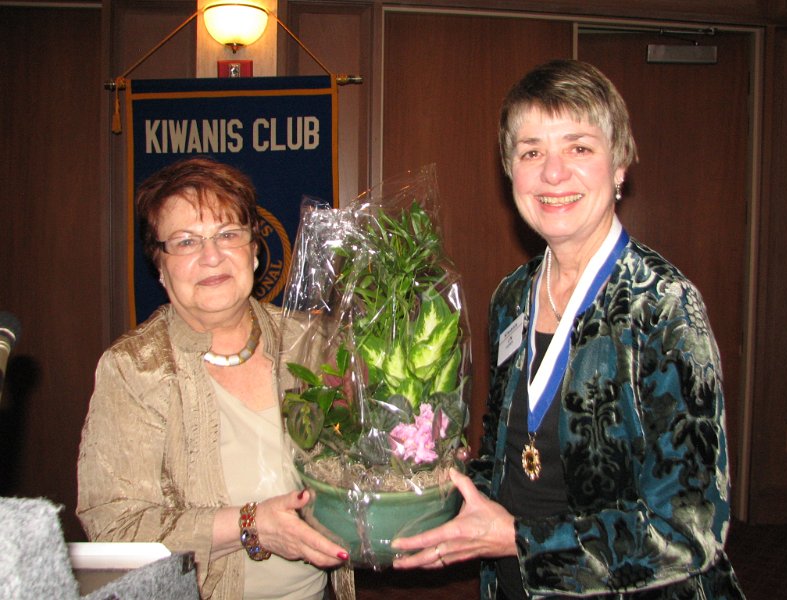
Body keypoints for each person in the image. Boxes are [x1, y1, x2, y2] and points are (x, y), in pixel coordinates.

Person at [392, 59, 744, 599]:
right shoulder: (511, 296)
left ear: (620, 163)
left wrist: (519, 539)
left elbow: (690, 532)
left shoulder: (664, 307)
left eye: (579, 147)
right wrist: (422, 488)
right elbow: (503, 454)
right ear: (510, 171)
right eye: (531, 151)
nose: (552, 173)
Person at [77, 157, 354, 600]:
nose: (212, 256)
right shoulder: (133, 368)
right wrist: (252, 525)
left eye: (228, 234)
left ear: (255, 249)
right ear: (160, 266)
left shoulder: (310, 340)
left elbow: (353, 454)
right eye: (186, 242)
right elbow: (116, 528)